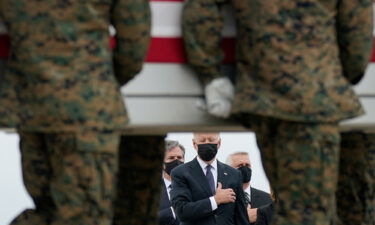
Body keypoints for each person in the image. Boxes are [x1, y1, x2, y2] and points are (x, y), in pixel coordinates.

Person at [181, 0, 373, 224]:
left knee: (292, 204)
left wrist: (211, 74)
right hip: (313, 99)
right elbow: (356, 34)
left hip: (261, 97)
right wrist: (334, 78)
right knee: (309, 211)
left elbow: (201, 9)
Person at [0, 0, 151, 224]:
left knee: (49, 211)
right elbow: (134, 41)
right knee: (84, 215)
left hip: (30, 108)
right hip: (87, 114)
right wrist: (99, 84)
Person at [170, 133, 249, 225]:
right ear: (194, 144)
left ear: (219, 143)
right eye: (202, 140)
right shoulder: (180, 173)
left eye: (211, 140)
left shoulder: (234, 174)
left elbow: (241, 216)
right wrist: (215, 200)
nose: (207, 143)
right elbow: (181, 211)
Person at [226, 152, 272, 224]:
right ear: (228, 169)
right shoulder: (222, 198)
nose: (245, 168)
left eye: (247, 165)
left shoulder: (268, 198)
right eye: (240, 165)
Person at [159, 140, 185, 225]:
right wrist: (172, 211)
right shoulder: (151, 189)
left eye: (179, 157)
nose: (176, 161)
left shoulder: (193, 186)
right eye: (171, 158)